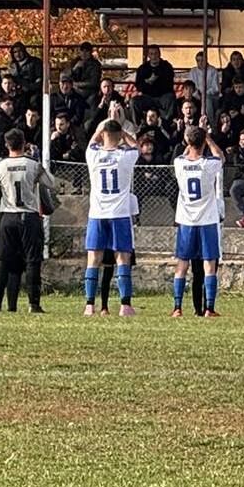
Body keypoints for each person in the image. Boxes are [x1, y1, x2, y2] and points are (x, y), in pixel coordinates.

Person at [0, 128, 55, 313]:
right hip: (29, 216)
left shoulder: (0, 166)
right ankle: (33, 304)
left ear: (6, 145)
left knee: (4, 261)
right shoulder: (33, 164)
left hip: (8, 215)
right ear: (24, 143)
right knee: (33, 261)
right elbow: (50, 182)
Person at [82, 119, 139, 317]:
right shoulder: (125, 156)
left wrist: (102, 125)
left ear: (103, 133)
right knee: (122, 258)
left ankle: (89, 305)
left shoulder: (93, 155)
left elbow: (92, 140)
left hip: (97, 214)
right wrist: (123, 132)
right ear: (119, 135)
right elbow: (136, 146)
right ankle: (125, 305)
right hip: (119, 214)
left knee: (94, 259)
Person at [170, 126, 225, 318]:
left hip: (186, 221)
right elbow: (220, 156)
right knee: (209, 265)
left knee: (182, 265)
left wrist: (191, 139)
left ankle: (177, 307)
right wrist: (208, 137)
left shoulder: (179, 163)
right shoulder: (208, 164)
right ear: (203, 143)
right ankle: (209, 308)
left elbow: (186, 154)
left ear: (186, 141)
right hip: (207, 220)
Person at [133, 45, 175, 119]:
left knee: (170, 98)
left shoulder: (166, 66)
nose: (154, 56)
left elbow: (169, 84)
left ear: (159, 54)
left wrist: (155, 81)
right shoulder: (143, 68)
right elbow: (139, 86)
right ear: (148, 55)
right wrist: (148, 82)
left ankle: (167, 124)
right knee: (134, 101)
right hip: (148, 97)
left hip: (163, 97)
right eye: (151, 54)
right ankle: (138, 125)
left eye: (156, 53)